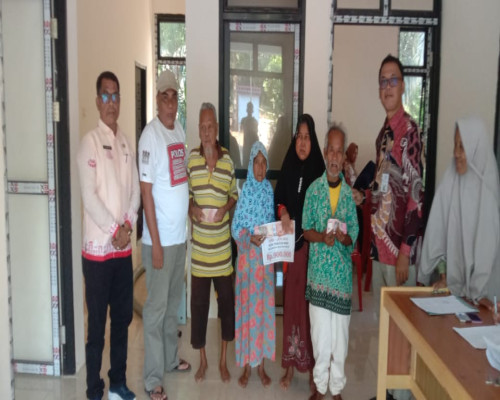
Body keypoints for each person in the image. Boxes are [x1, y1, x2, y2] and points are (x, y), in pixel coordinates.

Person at [356, 55, 424, 400]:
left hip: (399, 252)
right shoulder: (384, 133)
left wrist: (406, 252)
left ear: (403, 85)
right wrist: (363, 195)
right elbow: (385, 185)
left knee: (401, 332)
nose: (387, 86)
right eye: (383, 80)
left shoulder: (409, 131)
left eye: (393, 79)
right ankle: (388, 394)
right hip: (381, 248)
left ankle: (401, 396)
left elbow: (415, 196)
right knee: (384, 327)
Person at [77, 71, 140, 400]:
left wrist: (127, 227)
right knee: (97, 327)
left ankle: (117, 383)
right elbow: (89, 198)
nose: (111, 102)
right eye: (106, 95)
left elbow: (135, 192)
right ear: (97, 100)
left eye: (115, 95)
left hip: (122, 253)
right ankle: (94, 389)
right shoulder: (89, 143)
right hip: (98, 255)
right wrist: (115, 230)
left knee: (122, 320)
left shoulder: (126, 143)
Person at [139, 69, 191, 400]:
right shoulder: (150, 136)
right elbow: (146, 193)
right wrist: (155, 243)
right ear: (157, 101)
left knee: (173, 305)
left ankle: (171, 360)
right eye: (164, 97)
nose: (170, 103)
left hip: (178, 239)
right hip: (159, 242)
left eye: (174, 97)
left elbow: (179, 179)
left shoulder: (179, 130)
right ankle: (153, 378)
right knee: (156, 311)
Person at [418, 117, 500, 310]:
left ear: (475, 149)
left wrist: (479, 294)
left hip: (485, 299)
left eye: (462, 147)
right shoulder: (450, 184)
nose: (456, 153)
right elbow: (438, 237)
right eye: (455, 146)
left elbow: (488, 253)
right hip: (451, 292)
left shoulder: (488, 196)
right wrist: (444, 276)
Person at [302, 126, 359, 400]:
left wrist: (344, 238)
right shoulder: (314, 191)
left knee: (340, 341)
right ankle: (320, 387)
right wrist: (321, 237)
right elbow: (306, 230)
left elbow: (353, 236)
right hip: (319, 277)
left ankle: (336, 388)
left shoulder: (349, 195)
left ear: (344, 158)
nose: (335, 157)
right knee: (320, 338)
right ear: (325, 153)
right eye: (331, 151)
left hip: (341, 280)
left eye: (339, 151)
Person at [188, 102, 238, 383]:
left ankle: (222, 361)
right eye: (202, 127)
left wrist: (225, 208)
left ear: (217, 129)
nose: (206, 133)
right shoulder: (192, 162)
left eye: (210, 127)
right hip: (199, 256)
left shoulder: (228, 161)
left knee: (227, 307)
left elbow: (234, 194)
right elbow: (186, 197)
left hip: (222, 254)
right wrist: (192, 209)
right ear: (199, 130)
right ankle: (203, 360)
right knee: (198, 308)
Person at [274, 114, 325, 392]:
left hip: (312, 253)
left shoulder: (319, 170)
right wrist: (282, 211)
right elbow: (279, 197)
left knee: (310, 311)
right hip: (290, 251)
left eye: (307, 137)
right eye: (299, 137)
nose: (303, 143)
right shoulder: (289, 166)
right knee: (292, 306)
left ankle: (313, 370)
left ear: (312, 140)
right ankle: (291, 366)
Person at [231, 141, 276, 388]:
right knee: (248, 313)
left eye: (263, 163)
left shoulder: (268, 191)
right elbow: (235, 227)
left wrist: (270, 236)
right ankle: (247, 366)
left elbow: (271, 224)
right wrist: (249, 238)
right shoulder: (246, 191)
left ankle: (261, 367)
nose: (260, 168)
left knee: (263, 314)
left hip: (264, 265)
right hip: (248, 264)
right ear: (250, 165)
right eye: (256, 163)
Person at [241, 101, 259, 168]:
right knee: (245, 164)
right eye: (249, 108)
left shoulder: (254, 121)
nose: (249, 110)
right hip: (246, 146)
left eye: (250, 108)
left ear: (252, 110)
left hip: (252, 146)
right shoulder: (243, 120)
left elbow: (256, 134)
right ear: (247, 109)